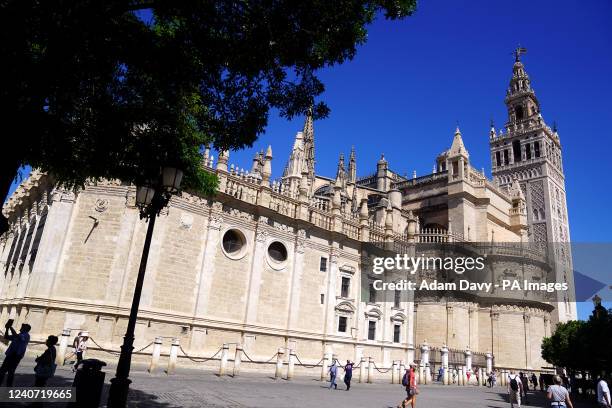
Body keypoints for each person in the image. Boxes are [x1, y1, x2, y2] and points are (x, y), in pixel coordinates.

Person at [0, 321, 31, 386]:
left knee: (10, 371)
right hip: (11, 354)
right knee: (3, 370)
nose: (21, 328)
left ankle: (8, 385)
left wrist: (10, 327)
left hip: (16, 355)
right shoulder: (20, 334)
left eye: (22, 327)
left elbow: (16, 336)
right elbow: (6, 337)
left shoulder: (26, 335)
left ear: (25, 329)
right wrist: (7, 329)